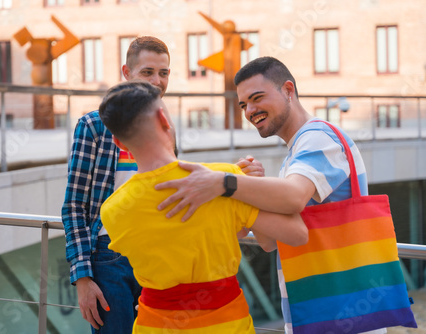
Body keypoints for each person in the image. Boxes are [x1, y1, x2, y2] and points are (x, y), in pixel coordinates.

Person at [154, 56, 386, 334]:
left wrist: (223, 183)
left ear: (288, 90)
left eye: (257, 98)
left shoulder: (319, 137)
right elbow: (268, 242)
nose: (250, 110)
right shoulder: (296, 153)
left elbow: (293, 198)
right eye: (243, 105)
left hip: (342, 310)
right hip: (316, 308)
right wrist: (253, 186)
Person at [97, 80, 308, 333]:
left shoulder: (112, 210)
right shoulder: (222, 178)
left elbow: (175, 240)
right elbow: (297, 234)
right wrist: (248, 186)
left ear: (119, 143)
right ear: (164, 120)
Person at [61, 36, 171, 333]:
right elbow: (74, 206)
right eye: (147, 72)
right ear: (127, 72)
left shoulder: (167, 127)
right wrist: (83, 277)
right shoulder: (95, 126)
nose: (157, 81)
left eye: (163, 73)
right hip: (110, 257)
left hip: (156, 255)